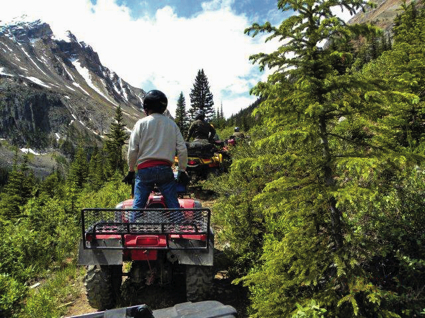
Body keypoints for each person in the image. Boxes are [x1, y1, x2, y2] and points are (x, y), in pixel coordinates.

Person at [124, 90, 188, 215]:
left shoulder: (141, 123)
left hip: (144, 171)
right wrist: (182, 170)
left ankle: (133, 229)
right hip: (165, 169)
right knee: (173, 204)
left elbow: (132, 150)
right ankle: (178, 229)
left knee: (137, 205)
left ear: (146, 108)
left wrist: (131, 170)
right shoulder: (172, 124)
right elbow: (182, 149)